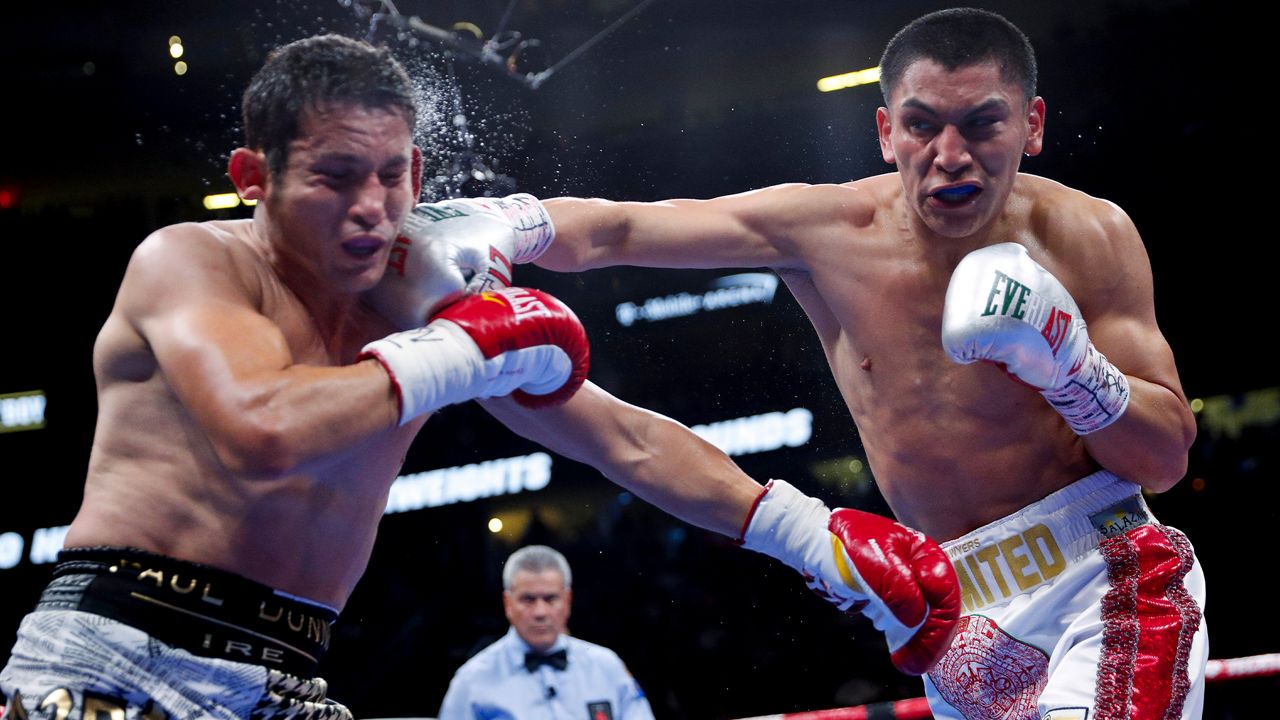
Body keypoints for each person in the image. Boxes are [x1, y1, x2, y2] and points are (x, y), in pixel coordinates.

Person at [0, 32, 958, 720]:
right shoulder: (192, 263)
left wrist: (809, 537)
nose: (372, 208)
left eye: (392, 175)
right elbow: (262, 428)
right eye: (336, 177)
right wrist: (464, 351)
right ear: (254, 175)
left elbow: (619, 436)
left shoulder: (414, 302)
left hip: (288, 674)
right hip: (122, 650)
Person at [496, 8, 1208, 719]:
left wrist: (1071, 366)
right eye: (923, 124)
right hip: (949, 612)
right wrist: (503, 224)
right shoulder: (823, 231)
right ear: (885, 131)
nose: (951, 154)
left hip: (1102, 578)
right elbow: (618, 228)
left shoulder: (1091, 235)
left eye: (984, 124)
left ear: (1033, 124)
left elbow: (1164, 461)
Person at [438, 546, 654, 720]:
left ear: (567, 601)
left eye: (551, 599)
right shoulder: (471, 680)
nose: (540, 612)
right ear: (508, 603)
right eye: (528, 599)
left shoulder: (606, 666)